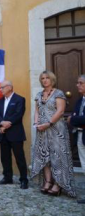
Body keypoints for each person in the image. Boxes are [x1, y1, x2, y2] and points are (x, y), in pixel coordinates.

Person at [31, 71, 76, 198]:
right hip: (42, 130)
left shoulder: (58, 93)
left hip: (56, 129)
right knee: (44, 156)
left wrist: (49, 123)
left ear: (52, 79)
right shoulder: (39, 95)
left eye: (47, 78)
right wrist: (36, 123)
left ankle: (58, 184)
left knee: (58, 157)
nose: (45, 80)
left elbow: (61, 111)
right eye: (42, 78)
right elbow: (37, 111)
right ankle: (48, 181)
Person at [0, 80, 28, 189]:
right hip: (3, 133)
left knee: (19, 157)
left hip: (15, 133)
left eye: (1, 87)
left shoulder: (19, 99)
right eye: (0, 88)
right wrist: (1, 123)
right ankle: (7, 177)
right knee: (5, 157)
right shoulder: (0, 101)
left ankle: (24, 180)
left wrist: (7, 124)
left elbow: (18, 114)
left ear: (9, 87)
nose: (0, 90)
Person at [68, 75, 85, 203]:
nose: (77, 85)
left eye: (81, 83)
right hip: (80, 135)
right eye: (78, 82)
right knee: (85, 165)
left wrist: (74, 119)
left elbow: (78, 118)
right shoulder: (80, 100)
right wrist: (75, 119)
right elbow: (75, 116)